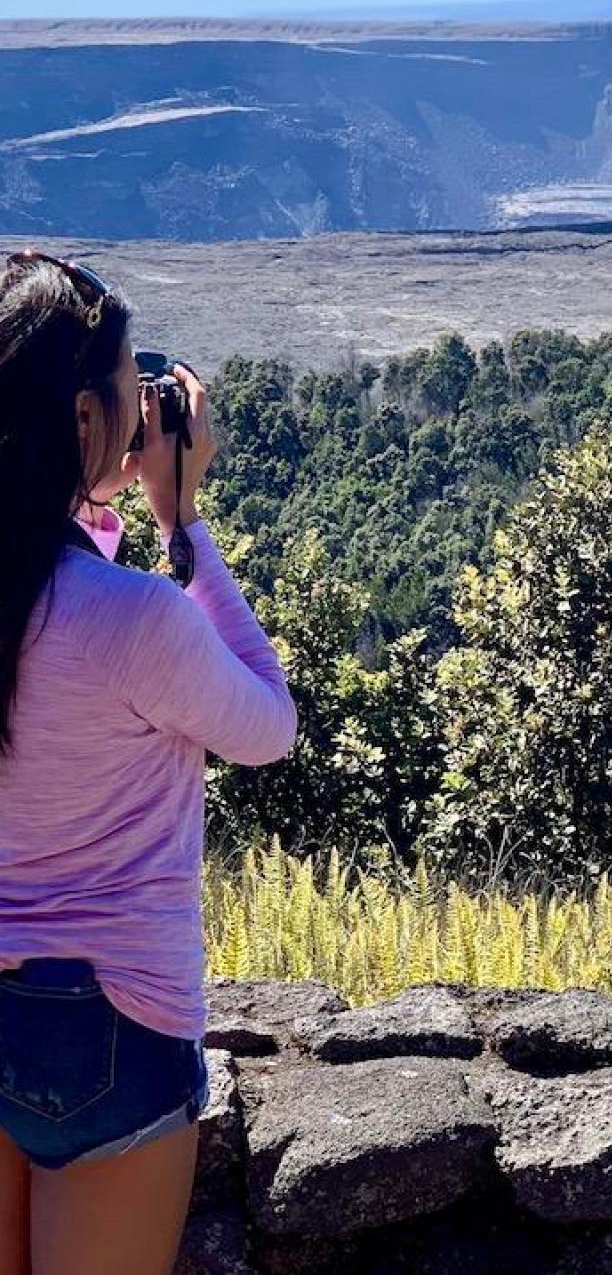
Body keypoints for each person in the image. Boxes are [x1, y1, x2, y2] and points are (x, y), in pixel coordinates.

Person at [0, 250, 298, 1275]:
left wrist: (88, 498)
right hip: (114, 1021)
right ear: (87, 418)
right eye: (133, 388)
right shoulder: (135, 618)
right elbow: (267, 724)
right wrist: (184, 526)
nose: (146, 406)